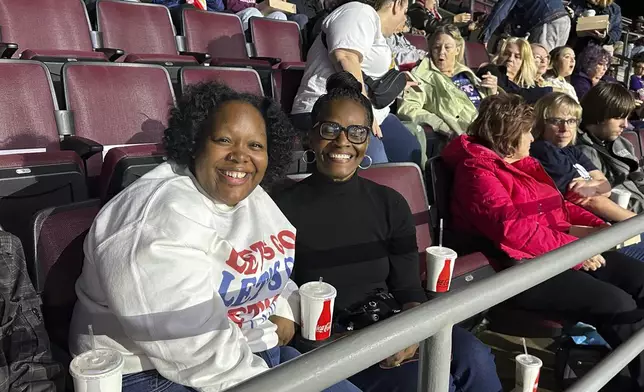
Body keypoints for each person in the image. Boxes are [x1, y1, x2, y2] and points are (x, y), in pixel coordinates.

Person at [68, 82, 361, 392]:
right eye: (224, 140)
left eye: (255, 145)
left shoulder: (252, 196)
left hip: (246, 354)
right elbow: (193, 349)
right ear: (195, 142)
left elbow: (264, 262)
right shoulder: (153, 223)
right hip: (148, 371)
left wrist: (282, 306)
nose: (240, 157)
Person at [274, 71, 503, 392]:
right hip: (331, 340)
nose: (343, 141)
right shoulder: (280, 206)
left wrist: (410, 332)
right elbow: (279, 296)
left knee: (475, 357)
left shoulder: (389, 203)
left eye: (356, 132)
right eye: (330, 129)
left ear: (368, 140)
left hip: (390, 320)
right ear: (310, 137)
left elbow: (409, 290)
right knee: (425, 384)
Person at [442, 93, 644, 391]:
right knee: (617, 304)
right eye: (528, 132)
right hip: (518, 269)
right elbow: (512, 229)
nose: (532, 138)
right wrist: (573, 251)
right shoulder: (477, 171)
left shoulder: (521, 163)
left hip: (553, 253)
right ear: (510, 136)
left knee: (640, 278)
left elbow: (557, 207)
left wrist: (601, 228)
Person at [291, 0, 423, 166]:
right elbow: (346, 57)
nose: (404, 19)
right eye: (405, 11)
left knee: (409, 151)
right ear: (397, 4)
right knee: (377, 168)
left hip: (372, 115)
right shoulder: (359, 12)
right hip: (328, 111)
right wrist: (365, 111)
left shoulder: (375, 31)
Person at [531, 92, 635, 223]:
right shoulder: (543, 150)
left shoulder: (572, 150)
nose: (565, 128)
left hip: (605, 224)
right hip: (582, 231)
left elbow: (606, 186)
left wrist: (592, 186)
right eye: (556, 121)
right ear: (541, 123)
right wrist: (636, 223)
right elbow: (591, 201)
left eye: (571, 121)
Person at [398, 24, 497, 161]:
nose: (441, 52)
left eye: (447, 47)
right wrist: (442, 126)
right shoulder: (420, 74)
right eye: (437, 47)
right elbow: (408, 109)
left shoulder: (467, 73)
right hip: (467, 139)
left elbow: (489, 108)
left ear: (457, 50)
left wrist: (492, 92)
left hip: (492, 132)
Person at [576, 83, 644, 214]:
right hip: (628, 222)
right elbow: (604, 201)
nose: (625, 125)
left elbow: (639, 179)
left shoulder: (622, 143)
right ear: (599, 116)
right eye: (618, 118)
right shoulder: (582, 152)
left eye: (626, 117)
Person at [477, 37, 553, 104]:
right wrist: (549, 91)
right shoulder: (492, 71)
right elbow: (512, 95)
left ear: (524, 61)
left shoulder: (528, 83)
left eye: (517, 56)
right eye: (506, 54)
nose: (510, 59)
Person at [479, 0, 570, 51]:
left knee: (537, 62)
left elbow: (501, 9)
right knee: (551, 63)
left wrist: (485, 36)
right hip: (563, 19)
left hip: (547, 20)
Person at [225, 0, 309, 32]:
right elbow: (231, 4)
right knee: (253, 12)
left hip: (261, 13)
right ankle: (247, 51)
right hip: (236, 16)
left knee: (279, 16)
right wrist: (255, 6)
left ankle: (273, 53)